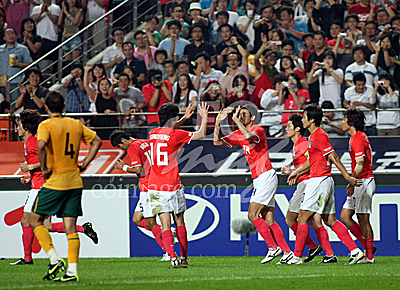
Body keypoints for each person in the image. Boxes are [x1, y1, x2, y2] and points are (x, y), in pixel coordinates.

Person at [29, 91, 102, 282]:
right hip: (75, 181)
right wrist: (85, 163)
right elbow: (97, 141)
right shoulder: (75, 123)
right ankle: (72, 271)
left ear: (46, 107)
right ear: (63, 107)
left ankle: (54, 260)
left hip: (56, 181)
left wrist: (44, 168)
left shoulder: (46, 125)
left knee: (34, 219)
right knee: (70, 226)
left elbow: (41, 145)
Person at [10, 109, 98, 266]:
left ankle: (28, 258)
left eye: (19, 125)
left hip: (40, 187)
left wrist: (30, 167)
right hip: (40, 183)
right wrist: (30, 175)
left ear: (26, 126)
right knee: (46, 226)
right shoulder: (29, 141)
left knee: (26, 221)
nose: (17, 128)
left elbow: (50, 159)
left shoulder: (33, 141)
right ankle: (84, 229)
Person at [214, 104, 293, 264]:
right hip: (259, 178)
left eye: (244, 114)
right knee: (268, 218)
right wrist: (217, 124)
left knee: (252, 214)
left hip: (266, 175)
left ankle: (272, 248)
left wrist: (236, 121)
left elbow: (249, 136)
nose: (241, 116)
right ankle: (287, 252)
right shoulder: (238, 133)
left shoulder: (258, 130)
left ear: (252, 118)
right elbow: (217, 142)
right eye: (239, 114)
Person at [286, 104, 364, 265]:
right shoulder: (313, 136)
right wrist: (297, 171)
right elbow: (312, 160)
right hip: (322, 180)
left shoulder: (319, 135)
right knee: (329, 220)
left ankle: (297, 256)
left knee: (302, 216)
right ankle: (355, 251)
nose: (302, 119)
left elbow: (333, 156)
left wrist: (347, 177)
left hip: (319, 180)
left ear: (312, 119)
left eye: (305, 116)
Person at [147, 102, 209, 267]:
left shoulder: (152, 133)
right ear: (173, 119)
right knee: (179, 220)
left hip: (154, 186)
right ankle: (184, 257)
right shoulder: (176, 135)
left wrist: (182, 119)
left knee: (165, 223)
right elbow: (201, 134)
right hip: (172, 185)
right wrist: (204, 118)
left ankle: (172, 257)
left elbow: (167, 130)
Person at [282, 114, 335, 264]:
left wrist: (295, 172)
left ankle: (307, 250)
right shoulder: (298, 144)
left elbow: (312, 163)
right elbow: (306, 163)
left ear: (297, 129)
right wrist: (293, 170)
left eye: (289, 126)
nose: (286, 128)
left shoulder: (303, 143)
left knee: (292, 218)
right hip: (308, 182)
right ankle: (327, 252)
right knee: (315, 220)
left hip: (307, 183)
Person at [110, 130, 170, 261]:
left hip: (148, 186)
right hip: (155, 183)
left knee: (150, 221)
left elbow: (138, 169)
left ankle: (167, 247)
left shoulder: (133, 147)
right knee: (137, 219)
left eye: (120, 146)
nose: (122, 149)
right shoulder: (144, 142)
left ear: (124, 141)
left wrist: (123, 167)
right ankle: (165, 233)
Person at [340, 108, 376, 264]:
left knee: (363, 219)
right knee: (345, 216)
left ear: (351, 122)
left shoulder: (358, 138)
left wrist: (352, 181)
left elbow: (360, 164)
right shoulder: (357, 137)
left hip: (362, 181)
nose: (341, 121)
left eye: (344, 118)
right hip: (360, 180)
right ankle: (367, 247)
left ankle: (369, 256)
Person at [84, 66, 120, 140]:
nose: (104, 87)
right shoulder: (96, 96)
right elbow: (86, 86)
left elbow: (119, 112)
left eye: (106, 84)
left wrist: (112, 112)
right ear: (99, 87)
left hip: (112, 124)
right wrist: (86, 71)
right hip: (100, 124)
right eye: (102, 84)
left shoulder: (114, 97)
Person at [109, 72, 147, 139]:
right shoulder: (116, 91)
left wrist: (132, 109)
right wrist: (113, 85)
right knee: (129, 146)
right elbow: (110, 93)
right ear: (118, 83)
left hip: (139, 123)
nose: (123, 83)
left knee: (141, 145)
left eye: (125, 80)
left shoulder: (135, 91)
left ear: (129, 82)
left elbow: (144, 102)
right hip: (127, 125)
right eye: (121, 81)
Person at [0, 27, 33, 103]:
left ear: (16, 36)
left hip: (16, 81)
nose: (11, 35)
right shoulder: (0, 49)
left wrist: (19, 64)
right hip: (2, 82)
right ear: (4, 37)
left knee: (15, 105)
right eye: (8, 34)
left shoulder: (23, 49)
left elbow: (30, 64)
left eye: (12, 33)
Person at [31, 0, 60, 67]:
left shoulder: (56, 7)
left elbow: (55, 20)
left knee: (51, 63)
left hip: (52, 38)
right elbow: (33, 20)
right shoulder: (36, 8)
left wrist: (47, 11)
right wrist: (41, 12)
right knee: (40, 62)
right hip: (39, 38)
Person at [142, 69, 173, 135]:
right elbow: (152, 104)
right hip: (152, 119)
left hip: (166, 118)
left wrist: (163, 86)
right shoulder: (146, 88)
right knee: (152, 142)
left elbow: (170, 98)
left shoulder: (166, 83)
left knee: (167, 141)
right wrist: (157, 88)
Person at [306, 31, 327, 104]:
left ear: (324, 40)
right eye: (315, 39)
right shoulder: (310, 56)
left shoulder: (328, 54)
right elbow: (308, 73)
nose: (317, 42)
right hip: (314, 87)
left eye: (320, 39)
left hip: (326, 85)